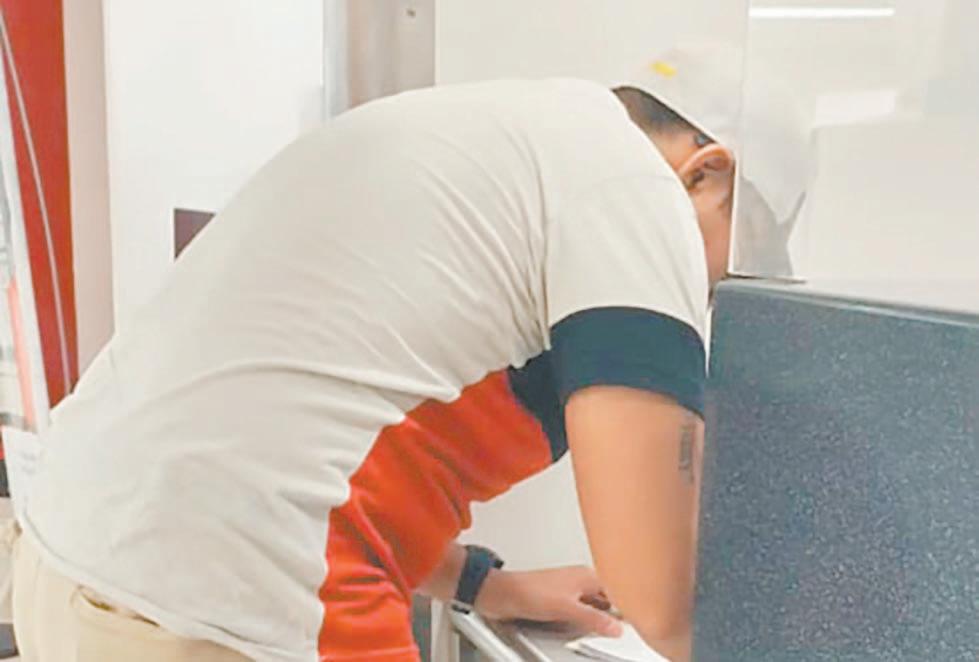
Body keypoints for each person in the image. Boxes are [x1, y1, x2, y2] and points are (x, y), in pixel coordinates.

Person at [11, 46, 801, 662]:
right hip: (223, 613)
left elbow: (309, 424)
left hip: (73, 573)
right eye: (727, 262)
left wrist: (482, 585)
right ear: (706, 172)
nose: (705, 294)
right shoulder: (633, 190)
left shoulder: (500, 130)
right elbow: (660, 601)